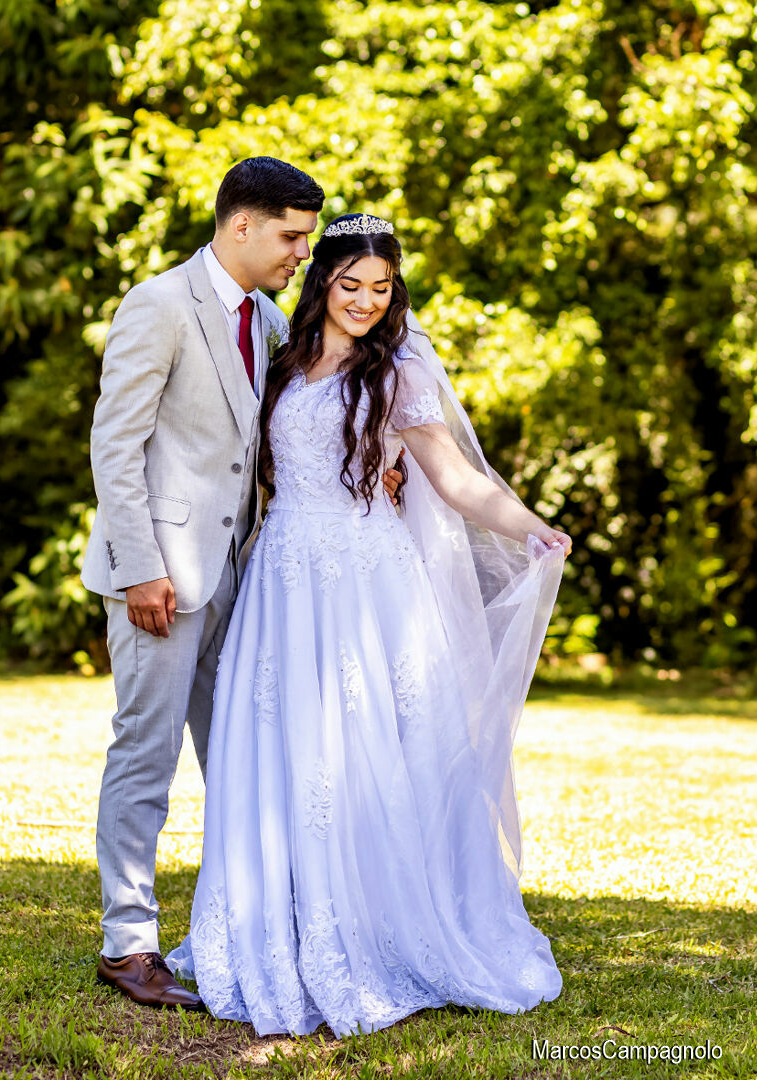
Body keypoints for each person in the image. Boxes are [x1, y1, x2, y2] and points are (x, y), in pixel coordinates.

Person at [165, 213, 571, 1036]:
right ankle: (275, 918)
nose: (365, 302)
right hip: (283, 576)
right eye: (350, 284)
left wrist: (531, 526)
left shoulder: (397, 373)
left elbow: (456, 478)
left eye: (381, 289)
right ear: (322, 283)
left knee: (367, 746)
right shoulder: (280, 359)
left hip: (365, 576)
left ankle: (379, 921)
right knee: (279, 746)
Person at [81, 160, 403, 1010]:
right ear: (241, 227)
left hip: (245, 578)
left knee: (245, 760)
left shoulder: (265, 319)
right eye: (294, 237)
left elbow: (297, 419)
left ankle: (255, 924)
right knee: (144, 756)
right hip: (158, 577)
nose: (303, 253)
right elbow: (115, 447)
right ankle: (128, 943)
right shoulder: (157, 305)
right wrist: (141, 567)